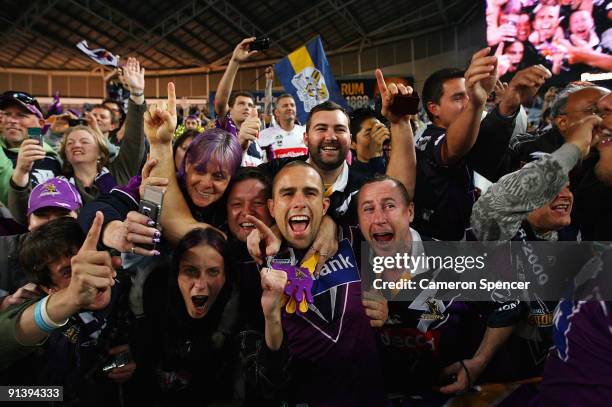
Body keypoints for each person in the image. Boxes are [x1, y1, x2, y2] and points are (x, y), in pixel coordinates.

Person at [249, 161, 387, 405]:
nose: (299, 202)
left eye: (310, 193)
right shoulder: (255, 261)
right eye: (287, 193)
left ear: (324, 206)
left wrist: (391, 307)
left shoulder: (353, 236)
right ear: (272, 207)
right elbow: (266, 380)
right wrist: (271, 317)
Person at [0, 214, 136, 406]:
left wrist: (131, 363)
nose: (88, 276)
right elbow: (8, 394)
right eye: (68, 273)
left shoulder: (130, 292)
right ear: (49, 288)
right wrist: (60, 393)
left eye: (88, 262)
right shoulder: (35, 320)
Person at [414, 50, 550, 240]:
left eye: (469, 96)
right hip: (438, 252)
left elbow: (488, 148)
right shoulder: (425, 137)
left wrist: (509, 104)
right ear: (433, 108)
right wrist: (477, 103)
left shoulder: (472, 134)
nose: (467, 102)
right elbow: (452, 149)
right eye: (458, 97)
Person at [7, 58, 148, 224]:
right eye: (70, 142)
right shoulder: (57, 184)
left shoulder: (119, 172)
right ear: (65, 153)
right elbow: (24, 215)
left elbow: (134, 141)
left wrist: (137, 94)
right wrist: (21, 172)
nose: (76, 144)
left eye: (84, 141)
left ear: (101, 150)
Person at [0, 177, 82, 311]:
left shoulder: (94, 249)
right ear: (29, 222)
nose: (52, 222)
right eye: (42, 215)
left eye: (62, 214)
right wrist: (4, 304)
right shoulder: (2, 250)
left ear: (80, 216)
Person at [0, 91, 62, 205]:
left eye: (21, 115)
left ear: (41, 123)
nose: (12, 120)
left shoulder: (53, 160)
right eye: (7, 114)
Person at [214, 38, 266, 166]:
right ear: (230, 109)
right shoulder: (226, 127)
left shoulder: (257, 137)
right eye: (241, 103)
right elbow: (220, 102)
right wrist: (235, 61)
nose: (247, 108)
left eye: (250, 105)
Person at [258, 93, 308, 159]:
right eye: (285, 106)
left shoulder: (306, 132)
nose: (290, 108)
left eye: (292, 105)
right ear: (276, 112)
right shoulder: (264, 134)